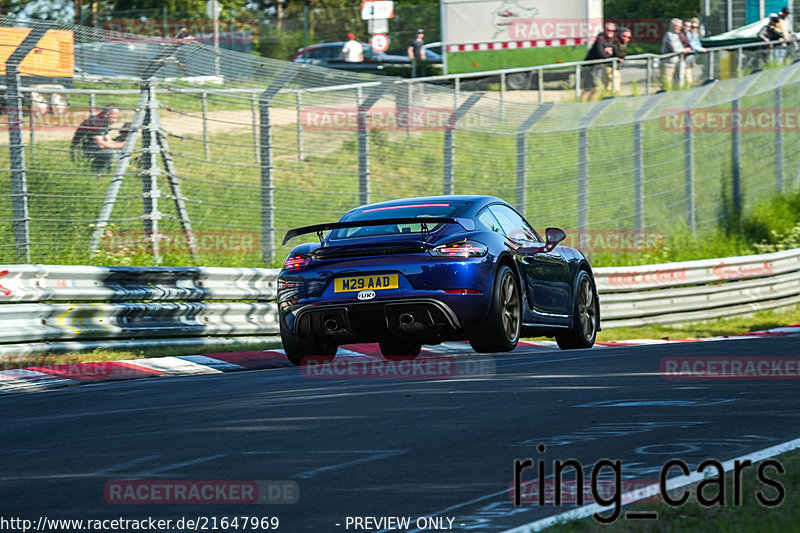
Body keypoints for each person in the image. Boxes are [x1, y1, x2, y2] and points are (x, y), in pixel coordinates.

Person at [70, 105, 126, 173]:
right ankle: (99, 171)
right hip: (83, 149)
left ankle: (106, 171)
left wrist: (124, 144)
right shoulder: (96, 122)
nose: (115, 121)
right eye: (114, 118)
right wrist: (120, 145)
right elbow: (101, 145)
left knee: (117, 146)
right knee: (110, 152)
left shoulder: (103, 121)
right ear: (107, 114)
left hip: (93, 146)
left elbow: (108, 140)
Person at [582, 22, 616, 101]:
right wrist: (609, 54)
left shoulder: (611, 39)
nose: (611, 32)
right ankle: (583, 105)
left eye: (613, 31)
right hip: (589, 67)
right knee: (591, 89)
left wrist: (609, 53)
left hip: (597, 67)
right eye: (609, 30)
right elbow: (601, 55)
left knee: (595, 89)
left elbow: (615, 52)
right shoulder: (600, 39)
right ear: (604, 30)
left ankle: (590, 105)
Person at [661, 18, 690, 90]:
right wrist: (684, 50)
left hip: (678, 63)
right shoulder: (669, 35)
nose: (679, 28)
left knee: (678, 83)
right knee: (667, 84)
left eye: (680, 26)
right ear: (672, 26)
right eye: (677, 26)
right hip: (668, 64)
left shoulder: (679, 34)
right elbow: (676, 49)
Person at [606, 27, 631, 94]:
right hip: (609, 66)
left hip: (616, 66)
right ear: (620, 34)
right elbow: (617, 53)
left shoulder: (624, 42)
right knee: (611, 86)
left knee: (616, 86)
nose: (626, 38)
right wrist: (621, 56)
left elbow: (624, 53)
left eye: (628, 37)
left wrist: (622, 56)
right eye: (624, 36)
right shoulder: (615, 41)